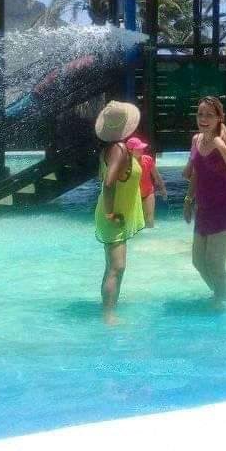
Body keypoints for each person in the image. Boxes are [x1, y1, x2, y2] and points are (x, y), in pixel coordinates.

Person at [182, 97, 226, 303]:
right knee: (198, 262)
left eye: (209, 115)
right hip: (204, 208)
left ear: (220, 117)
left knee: (215, 264)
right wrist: (188, 199)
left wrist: (220, 145)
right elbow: (196, 173)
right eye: (200, 114)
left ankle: (221, 303)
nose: (203, 119)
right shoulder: (196, 140)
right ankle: (223, 296)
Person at [94, 100, 144, 325]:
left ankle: (108, 310)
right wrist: (110, 214)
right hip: (112, 214)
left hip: (112, 212)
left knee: (113, 266)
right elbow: (108, 183)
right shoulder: (120, 150)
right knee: (117, 267)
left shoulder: (111, 149)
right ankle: (108, 315)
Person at [126, 136, 167, 228]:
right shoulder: (126, 163)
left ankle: (150, 237)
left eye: (142, 148)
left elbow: (156, 176)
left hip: (148, 192)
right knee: (132, 221)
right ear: (130, 151)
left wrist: (163, 189)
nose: (142, 150)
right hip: (132, 195)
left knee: (149, 218)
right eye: (138, 149)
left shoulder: (148, 159)